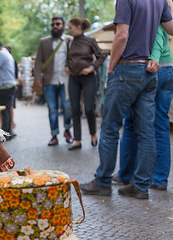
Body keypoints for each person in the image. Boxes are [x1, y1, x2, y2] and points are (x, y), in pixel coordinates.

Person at [81, 0, 173, 199]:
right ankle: (140, 186)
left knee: (110, 128)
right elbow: (171, 29)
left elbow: (122, 35)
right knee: (147, 132)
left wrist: (111, 66)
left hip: (127, 67)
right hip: (149, 73)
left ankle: (103, 181)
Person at [116, 24, 173, 191]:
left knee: (132, 122)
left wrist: (153, 58)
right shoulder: (164, 11)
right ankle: (159, 179)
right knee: (161, 125)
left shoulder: (148, 7)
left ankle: (127, 174)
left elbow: (154, 34)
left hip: (151, 66)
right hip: (168, 67)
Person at [65, 17, 104, 150]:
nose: (69, 30)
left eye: (70, 27)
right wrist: (67, 66)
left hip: (88, 78)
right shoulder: (69, 42)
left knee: (88, 108)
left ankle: (93, 134)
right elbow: (68, 58)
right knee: (75, 109)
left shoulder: (90, 40)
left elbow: (101, 56)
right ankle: (77, 140)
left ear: (79, 27)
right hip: (74, 78)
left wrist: (92, 67)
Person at [34, 16, 74, 146]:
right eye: (53, 25)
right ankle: (54, 135)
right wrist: (38, 78)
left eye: (57, 24)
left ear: (63, 26)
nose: (55, 27)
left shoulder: (69, 40)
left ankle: (67, 130)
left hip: (66, 80)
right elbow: (39, 60)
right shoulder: (44, 42)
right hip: (49, 80)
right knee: (52, 109)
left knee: (67, 107)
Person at [0, 39, 16, 140]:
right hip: (9, 84)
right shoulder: (6, 53)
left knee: (5, 110)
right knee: (7, 109)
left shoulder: (1, 54)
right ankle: (8, 131)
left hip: (5, 85)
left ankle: (6, 132)